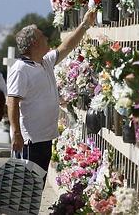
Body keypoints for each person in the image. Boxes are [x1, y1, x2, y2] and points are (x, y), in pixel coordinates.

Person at [6, 9, 97, 177]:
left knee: (36, 186)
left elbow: (67, 46)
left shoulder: (45, 61)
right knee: (26, 187)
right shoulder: (20, 69)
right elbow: (12, 101)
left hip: (45, 137)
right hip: (29, 141)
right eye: (43, 37)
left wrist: (84, 25)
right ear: (34, 43)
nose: (47, 38)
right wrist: (16, 133)